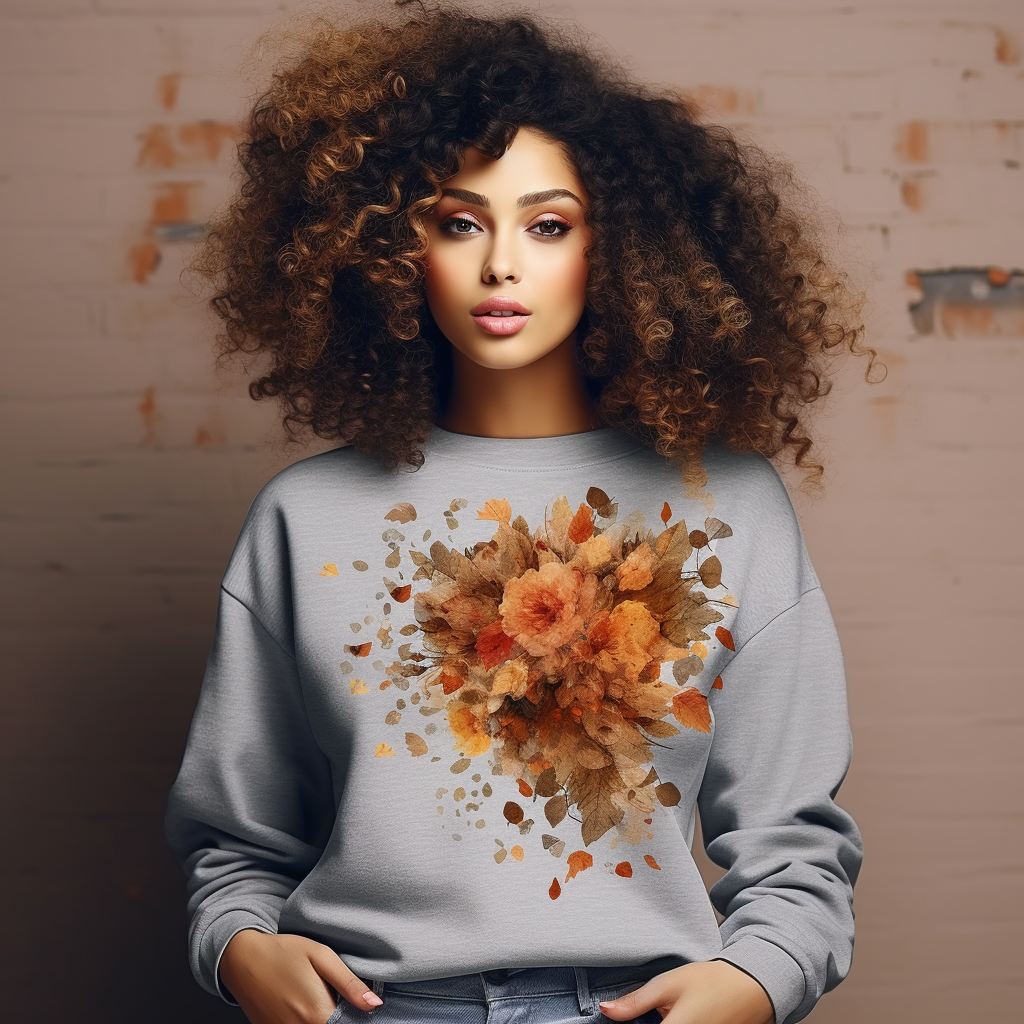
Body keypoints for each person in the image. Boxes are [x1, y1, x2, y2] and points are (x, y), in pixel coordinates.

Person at [166, 4, 869, 1024]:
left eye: (547, 224)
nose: (501, 264)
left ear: (619, 248)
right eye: (459, 222)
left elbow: (798, 845)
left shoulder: (732, 506)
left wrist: (753, 983)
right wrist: (239, 947)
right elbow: (233, 840)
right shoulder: (303, 517)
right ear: (390, 249)